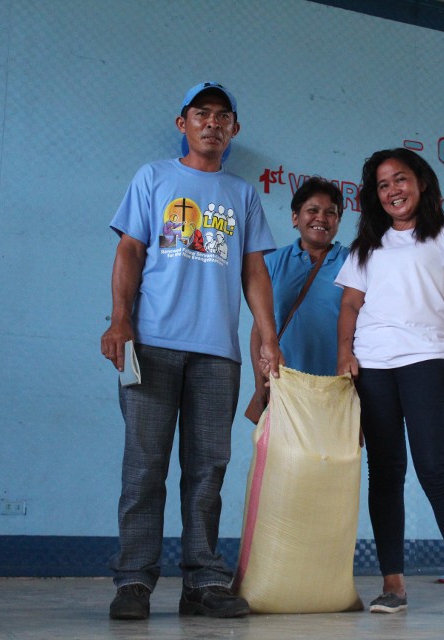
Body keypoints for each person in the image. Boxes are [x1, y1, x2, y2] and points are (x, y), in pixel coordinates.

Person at [100, 81, 282, 621]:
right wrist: (120, 319)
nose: (212, 123)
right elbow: (130, 249)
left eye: (222, 116)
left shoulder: (242, 194)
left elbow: (254, 270)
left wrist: (268, 337)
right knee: (144, 467)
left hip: (216, 354)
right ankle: (134, 579)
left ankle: (202, 580)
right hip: (151, 346)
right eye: (201, 113)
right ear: (183, 123)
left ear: (234, 129)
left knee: (208, 469)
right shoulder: (152, 178)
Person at [335, 148, 444, 616]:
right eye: (383, 185)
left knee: (437, 469)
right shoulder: (367, 245)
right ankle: (393, 585)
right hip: (373, 366)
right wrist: (345, 355)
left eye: (400, 179)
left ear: (421, 183)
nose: (393, 191)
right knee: (386, 473)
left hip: (427, 359)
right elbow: (349, 306)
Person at [248, 177, 348, 407]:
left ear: (338, 220)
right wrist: (260, 385)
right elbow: (258, 332)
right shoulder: (271, 264)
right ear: (295, 217)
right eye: (312, 210)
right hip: (283, 385)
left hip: (335, 389)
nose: (321, 218)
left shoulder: (352, 263)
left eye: (330, 212)